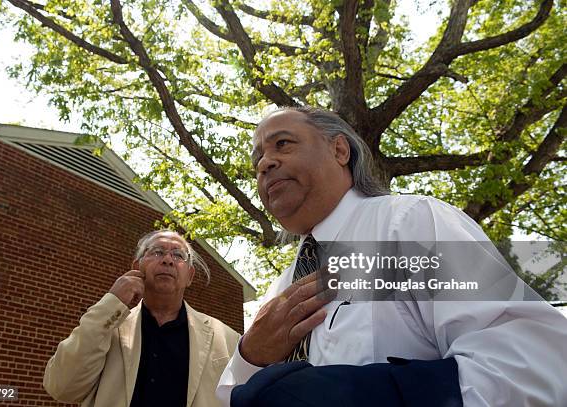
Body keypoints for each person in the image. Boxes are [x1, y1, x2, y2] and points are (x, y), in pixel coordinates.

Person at [216, 106, 567, 406]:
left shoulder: (411, 223)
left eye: (282, 144)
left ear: (340, 150)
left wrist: (377, 395)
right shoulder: (282, 287)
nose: (265, 163)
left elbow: (535, 364)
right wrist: (250, 356)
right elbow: (233, 397)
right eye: (258, 159)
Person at [44, 229, 240, 407]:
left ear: (189, 275)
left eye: (178, 255)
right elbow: (61, 388)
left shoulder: (226, 338)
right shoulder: (108, 327)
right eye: (157, 252)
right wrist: (111, 303)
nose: (168, 260)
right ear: (137, 266)